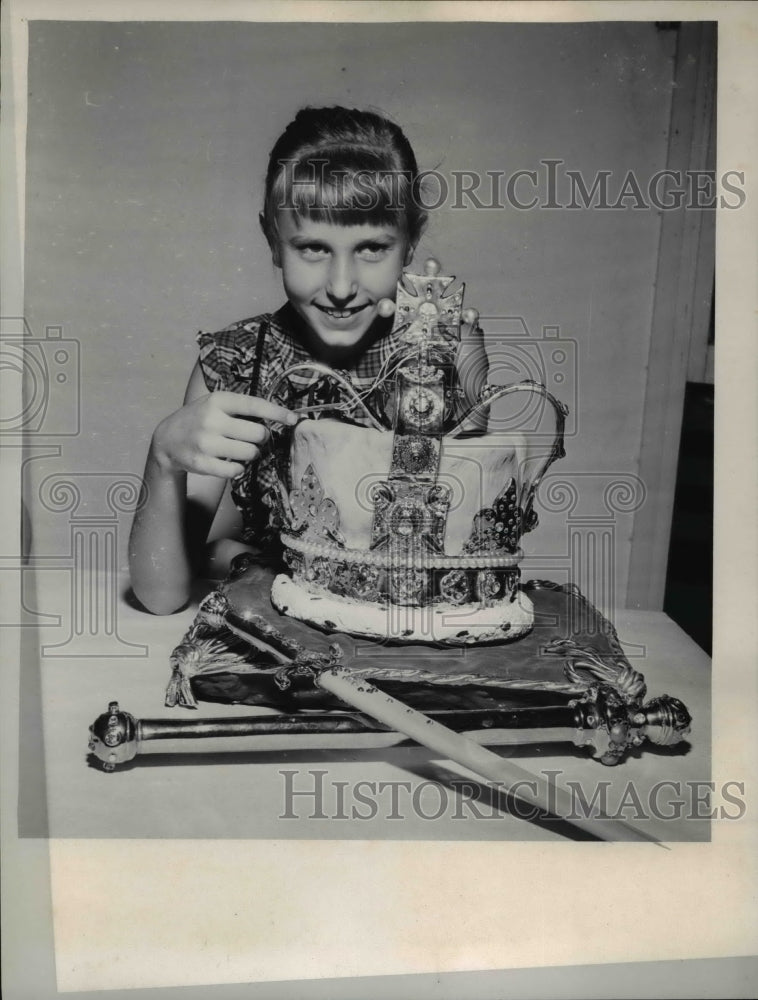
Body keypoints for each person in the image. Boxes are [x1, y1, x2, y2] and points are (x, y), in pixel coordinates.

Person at [129, 106, 484, 615]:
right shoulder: (238, 364)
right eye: (313, 248)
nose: (341, 287)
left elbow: (469, 549)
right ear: (274, 240)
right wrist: (162, 458)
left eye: (372, 248)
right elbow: (160, 597)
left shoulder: (445, 348)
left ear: (412, 243)